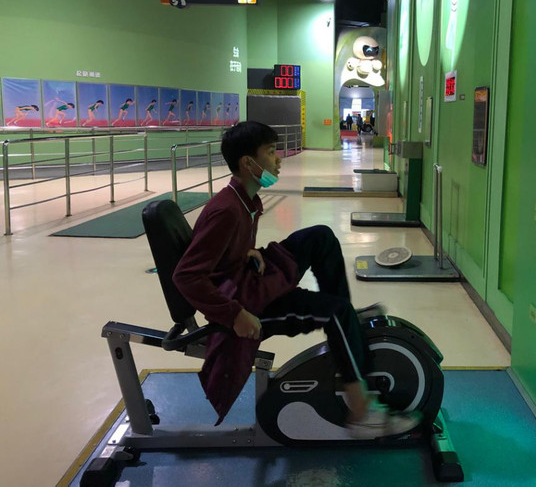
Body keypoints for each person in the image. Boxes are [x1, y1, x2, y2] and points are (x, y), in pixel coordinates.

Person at [172, 121, 419, 436]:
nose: (278, 160)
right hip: (246, 306)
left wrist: (245, 252)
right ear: (248, 163)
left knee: (321, 237)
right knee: (336, 313)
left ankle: (346, 323)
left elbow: (219, 257)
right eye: (271, 152)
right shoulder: (227, 210)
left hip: (249, 281)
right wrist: (235, 315)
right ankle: (361, 411)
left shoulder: (244, 200)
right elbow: (186, 276)